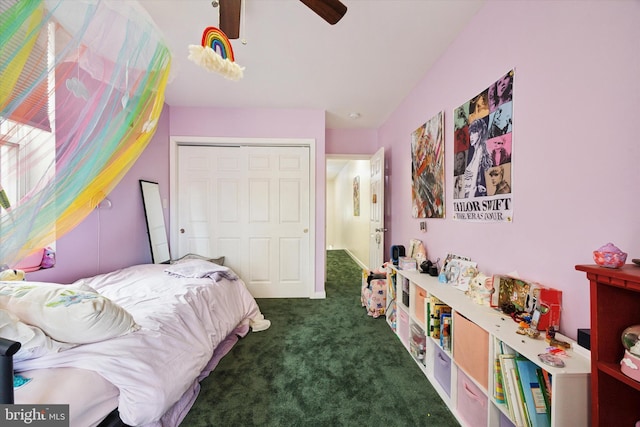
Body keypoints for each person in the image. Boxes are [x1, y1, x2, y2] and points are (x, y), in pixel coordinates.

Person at [463, 117, 492, 198]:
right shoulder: (475, 153)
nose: (471, 137)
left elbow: (475, 179)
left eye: (474, 132)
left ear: (480, 133)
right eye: (470, 133)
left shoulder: (480, 152)